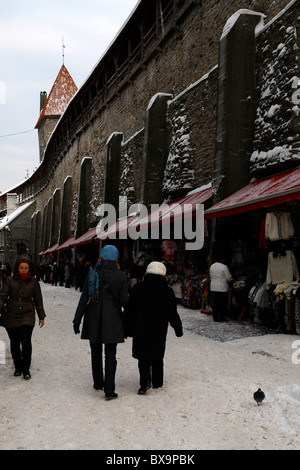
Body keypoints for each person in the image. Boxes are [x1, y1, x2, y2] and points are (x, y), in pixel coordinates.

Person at [73, 245, 128, 400]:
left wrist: (77, 320)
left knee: (95, 351)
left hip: (93, 316)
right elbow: (124, 300)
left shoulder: (93, 273)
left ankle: (98, 382)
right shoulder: (121, 276)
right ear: (116, 258)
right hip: (113, 317)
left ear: (102, 257)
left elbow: (84, 298)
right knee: (111, 353)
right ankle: (109, 389)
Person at [125, 261, 183, 395]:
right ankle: (157, 381)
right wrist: (178, 328)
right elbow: (172, 312)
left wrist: (126, 326)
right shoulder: (167, 291)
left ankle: (144, 383)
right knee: (157, 354)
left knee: (143, 355)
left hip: (141, 326)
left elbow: (130, 309)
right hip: (159, 327)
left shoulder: (138, 288)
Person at [0, 257, 46, 379]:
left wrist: (41, 316)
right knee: (15, 342)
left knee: (25, 341)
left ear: (29, 268)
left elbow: (38, 300)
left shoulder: (34, 282)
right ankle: (17, 367)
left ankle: (26, 368)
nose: (24, 270)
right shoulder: (9, 280)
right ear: (17, 268)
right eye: (21, 268)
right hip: (11, 314)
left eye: (26, 268)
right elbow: (3, 297)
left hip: (27, 314)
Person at [209, 255, 232, 322]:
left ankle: (215, 318)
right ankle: (222, 317)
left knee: (215, 303)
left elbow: (211, 275)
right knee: (222, 304)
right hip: (222, 288)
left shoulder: (212, 266)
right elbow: (228, 277)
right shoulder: (224, 267)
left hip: (213, 287)